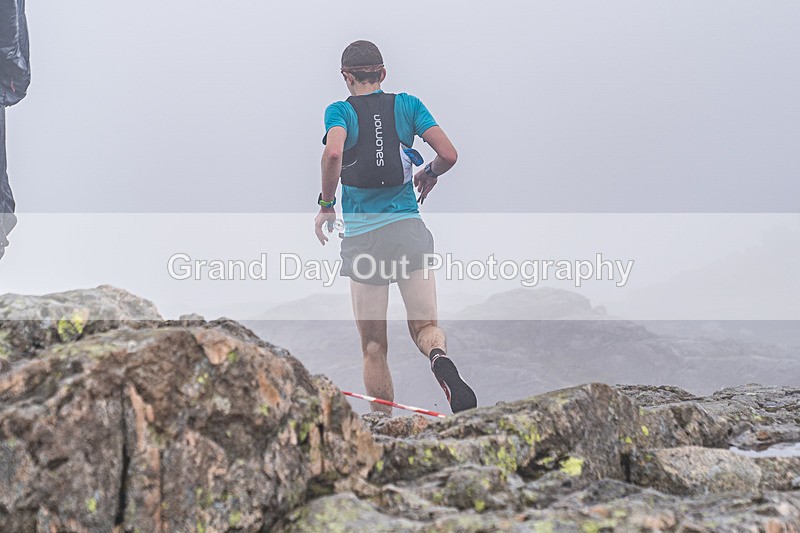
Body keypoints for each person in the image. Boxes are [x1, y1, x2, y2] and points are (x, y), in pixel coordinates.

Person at [315, 40, 477, 414]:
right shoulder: (408, 105)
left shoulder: (339, 111)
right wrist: (429, 173)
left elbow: (334, 153)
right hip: (408, 230)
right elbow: (449, 154)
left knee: (374, 346)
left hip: (364, 240)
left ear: (347, 77)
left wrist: (326, 205)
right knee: (425, 326)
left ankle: (384, 427)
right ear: (383, 74)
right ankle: (439, 358)